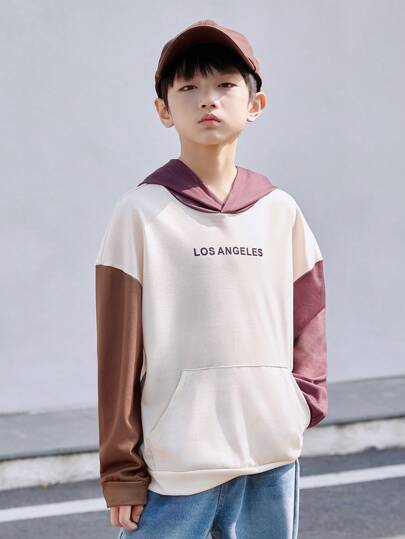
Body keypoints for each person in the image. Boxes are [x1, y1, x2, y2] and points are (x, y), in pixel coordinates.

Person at [95, 19, 328, 539]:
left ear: (255, 104)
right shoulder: (140, 213)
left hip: (271, 457)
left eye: (225, 84)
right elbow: (117, 354)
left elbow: (309, 315)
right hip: (176, 469)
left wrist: (300, 403)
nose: (208, 99)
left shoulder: (280, 210)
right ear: (163, 110)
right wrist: (121, 471)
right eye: (188, 87)